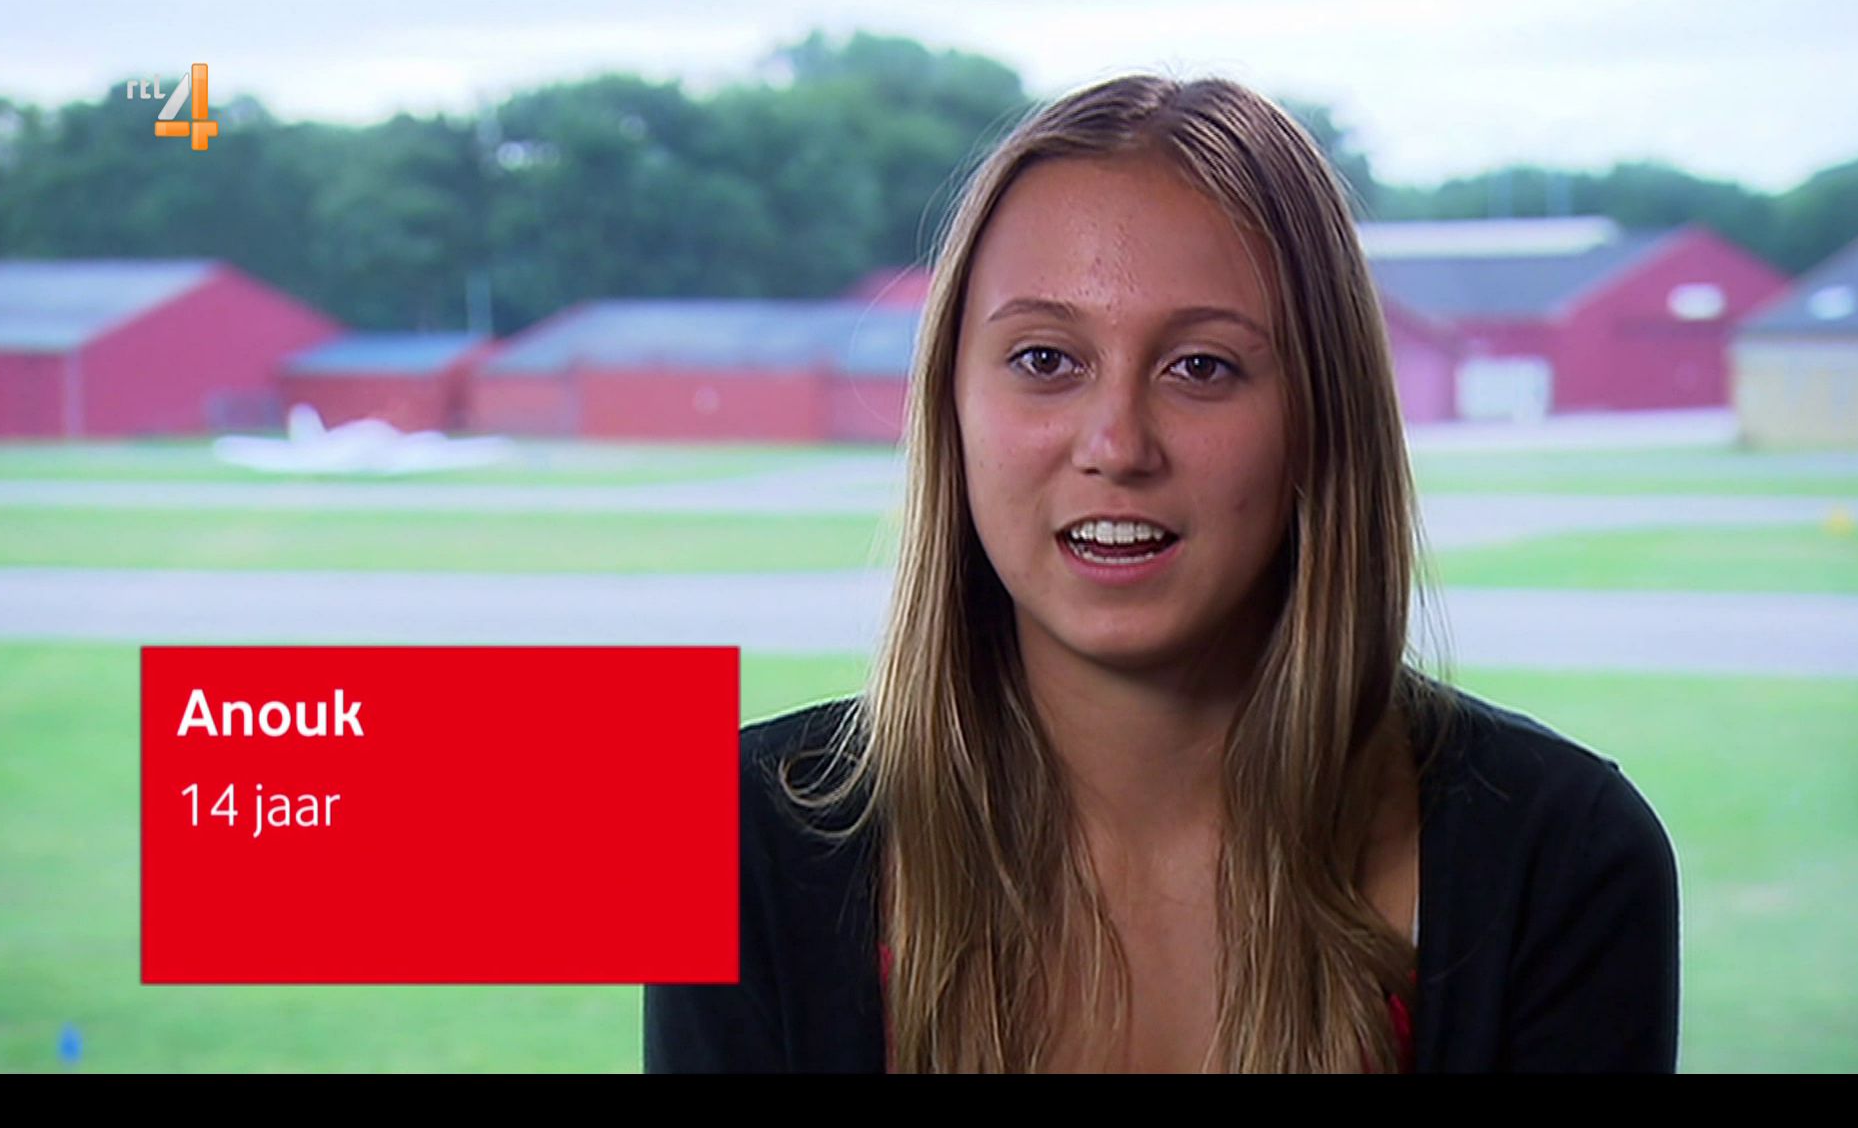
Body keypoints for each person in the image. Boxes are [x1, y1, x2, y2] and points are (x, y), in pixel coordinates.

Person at [645, 75, 1681, 1073]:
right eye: (1045, 360)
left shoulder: (1572, 857)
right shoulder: (715, 828)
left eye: (1202, 367)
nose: (1117, 445)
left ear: (1324, 419)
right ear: (950, 407)